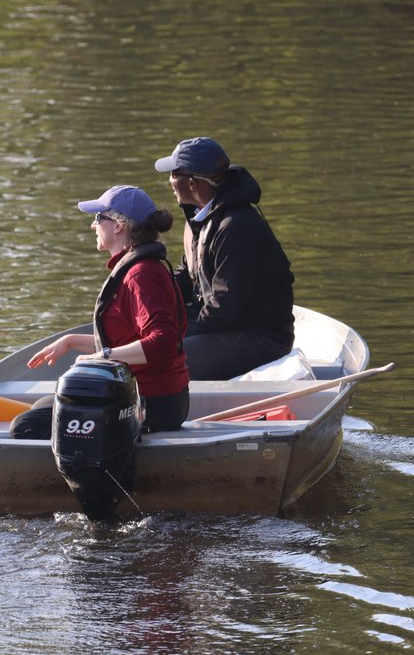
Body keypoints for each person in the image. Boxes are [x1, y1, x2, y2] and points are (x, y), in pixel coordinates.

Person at [24, 185, 190, 433]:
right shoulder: (137, 269)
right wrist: (69, 341)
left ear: (118, 225)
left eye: (98, 218)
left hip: (152, 403)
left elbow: (163, 341)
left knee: (26, 427)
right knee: (40, 408)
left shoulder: (140, 275)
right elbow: (125, 342)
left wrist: (101, 357)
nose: (93, 226)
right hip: (151, 398)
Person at [153, 137, 295, 380]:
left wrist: (176, 333)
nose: (170, 181)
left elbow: (224, 306)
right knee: (147, 343)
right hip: (223, 327)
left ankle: (164, 414)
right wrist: (150, 300)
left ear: (193, 182)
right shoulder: (200, 218)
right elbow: (187, 278)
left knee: (162, 355)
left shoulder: (236, 227)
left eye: (174, 174)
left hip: (258, 338)